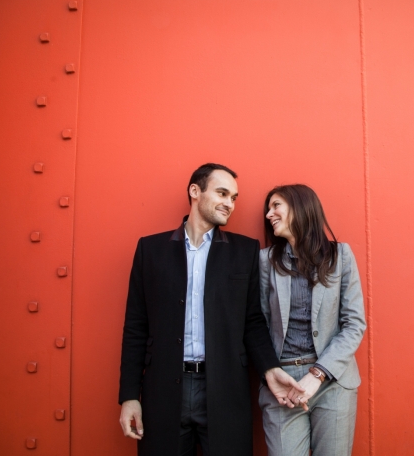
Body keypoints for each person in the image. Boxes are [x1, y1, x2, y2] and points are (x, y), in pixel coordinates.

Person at [118, 163, 304, 456]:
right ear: (195, 191)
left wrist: (270, 370)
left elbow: (253, 321)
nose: (229, 204)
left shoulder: (244, 251)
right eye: (222, 193)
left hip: (225, 389)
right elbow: (135, 327)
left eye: (234, 197)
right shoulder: (150, 250)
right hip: (163, 392)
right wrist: (130, 396)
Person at [258, 184, 367, 456]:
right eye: (268, 208)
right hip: (283, 386)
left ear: (300, 207)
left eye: (276, 205)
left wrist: (318, 374)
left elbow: (354, 324)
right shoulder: (265, 261)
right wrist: (272, 373)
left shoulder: (340, 256)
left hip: (333, 381)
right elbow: (257, 323)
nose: (269, 214)